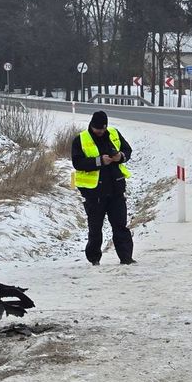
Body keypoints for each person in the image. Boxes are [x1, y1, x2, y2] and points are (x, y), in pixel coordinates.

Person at [71, 111, 135, 266]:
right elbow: (77, 163)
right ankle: (94, 259)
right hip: (94, 193)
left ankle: (126, 258)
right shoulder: (80, 139)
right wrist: (99, 161)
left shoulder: (114, 134)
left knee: (120, 226)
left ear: (106, 126)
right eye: (96, 129)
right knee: (95, 229)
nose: (99, 131)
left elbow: (128, 151)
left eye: (102, 128)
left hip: (116, 190)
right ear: (91, 126)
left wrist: (121, 157)